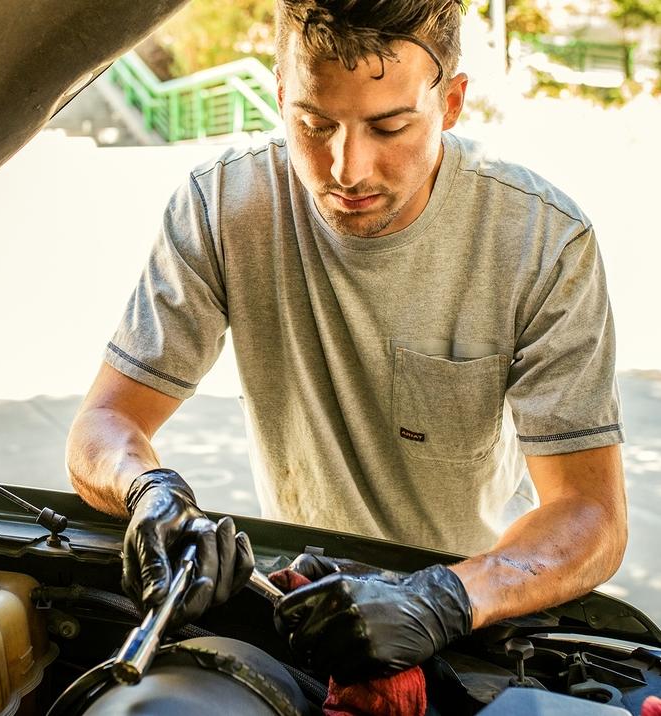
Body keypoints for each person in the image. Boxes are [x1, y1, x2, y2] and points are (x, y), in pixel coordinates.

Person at [65, 0, 627, 683]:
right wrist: (146, 488)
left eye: (389, 126)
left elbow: (590, 513)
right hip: (296, 609)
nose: (346, 168)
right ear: (279, 96)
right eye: (312, 124)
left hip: (471, 617)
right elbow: (105, 423)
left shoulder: (541, 241)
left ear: (451, 102)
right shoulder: (222, 207)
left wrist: (447, 596)